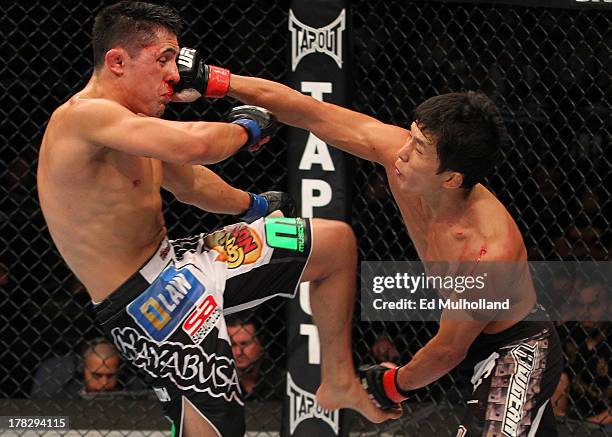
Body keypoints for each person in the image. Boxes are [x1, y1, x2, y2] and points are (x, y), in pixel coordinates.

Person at [36, 2, 397, 436]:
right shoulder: (82, 117)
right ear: (117, 61)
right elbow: (194, 146)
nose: (174, 74)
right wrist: (249, 126)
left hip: (181, 262)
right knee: (222, 430)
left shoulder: (133, 124)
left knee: (334, 243)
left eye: (175, 58)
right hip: (147, 304)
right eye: (163, 59)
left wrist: (255, 207)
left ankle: (339, 380)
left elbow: (190, 184)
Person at [173, 65, 565, 435]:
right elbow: (309, 111)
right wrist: (215, 78)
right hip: (467, 337)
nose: (404, 150)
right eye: (411, 135)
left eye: (420, 148)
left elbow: (448, 351)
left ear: (451, 178)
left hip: (515, 349)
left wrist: (390, 384)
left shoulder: (485, 253)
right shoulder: (400, 157)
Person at [227, 315, 284, 401]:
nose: (238, 352)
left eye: (244, 344)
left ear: (261, 343)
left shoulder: (282, 382)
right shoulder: (220, 383)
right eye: (232, 344)